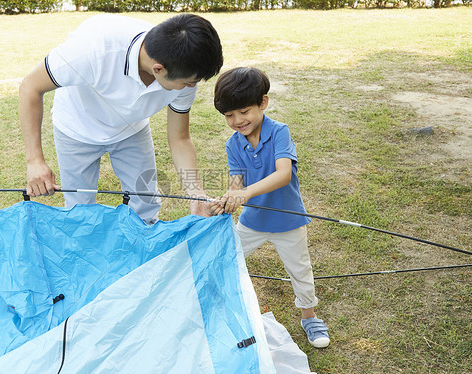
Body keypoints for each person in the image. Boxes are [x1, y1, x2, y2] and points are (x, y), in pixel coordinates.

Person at [19, 14, 223, 224]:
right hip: (77, 127)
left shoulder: (184, 68)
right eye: (188, 83)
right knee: (80, 210)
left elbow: (180, 138)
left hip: (131, 129)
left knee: (145, 202)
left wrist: (196, 192)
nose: (192, 87)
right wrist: (35, 161)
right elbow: (30, 87)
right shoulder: (91, 49)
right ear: (158, 69)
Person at [210, 67, 330, 348]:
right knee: (227, 258)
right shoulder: (233, 144)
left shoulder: (279, 132)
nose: (237, 121)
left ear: (263, 102)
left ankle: (309, 316)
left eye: (244, 111)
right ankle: (217, 307)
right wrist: (228, 199)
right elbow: (237, 183)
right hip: (252, 220)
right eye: (229, 115)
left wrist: (246, 193)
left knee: (299, 270)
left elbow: (283, 174)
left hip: (289, 222)